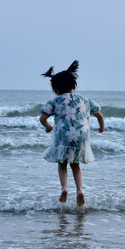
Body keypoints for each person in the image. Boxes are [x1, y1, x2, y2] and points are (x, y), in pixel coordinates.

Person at [39, 60, 105, 207]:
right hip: (80, 136)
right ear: (74, 85)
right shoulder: (85, 100)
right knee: (75, 165)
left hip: (63, 136)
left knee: (62, 164)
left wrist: (48, 126)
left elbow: (42, 118)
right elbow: (99, 115)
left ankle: (64, 189)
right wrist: (101, 127)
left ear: (56, 89)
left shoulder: (55, 101)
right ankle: (80, 190)